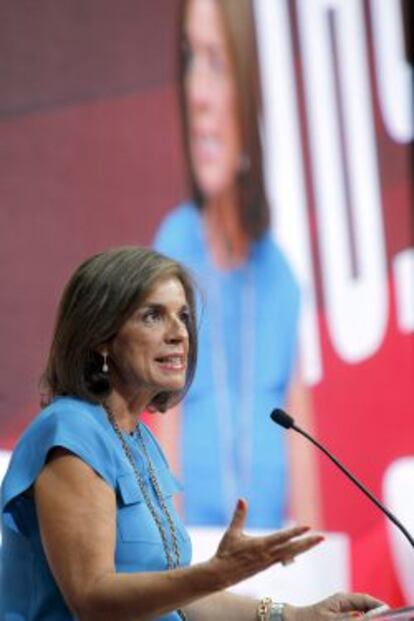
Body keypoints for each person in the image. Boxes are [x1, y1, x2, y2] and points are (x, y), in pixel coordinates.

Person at [1, 246, 383, 620]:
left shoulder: (139, 442)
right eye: (153, 316)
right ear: (101, 336)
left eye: (183, 316)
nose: (179, 333)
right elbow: (92, 599)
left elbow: (176, 600)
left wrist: (294, 616)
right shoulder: (71, 430)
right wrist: (215, 572)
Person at [154, 0, 320, 528]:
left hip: (271, 576)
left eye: (216, 62)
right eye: (189, 60)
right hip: (199, 573)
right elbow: (164, 442)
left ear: (249, 93)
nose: (197, 93)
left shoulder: (282, 277)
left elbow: (304, 462)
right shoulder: (171, 252)